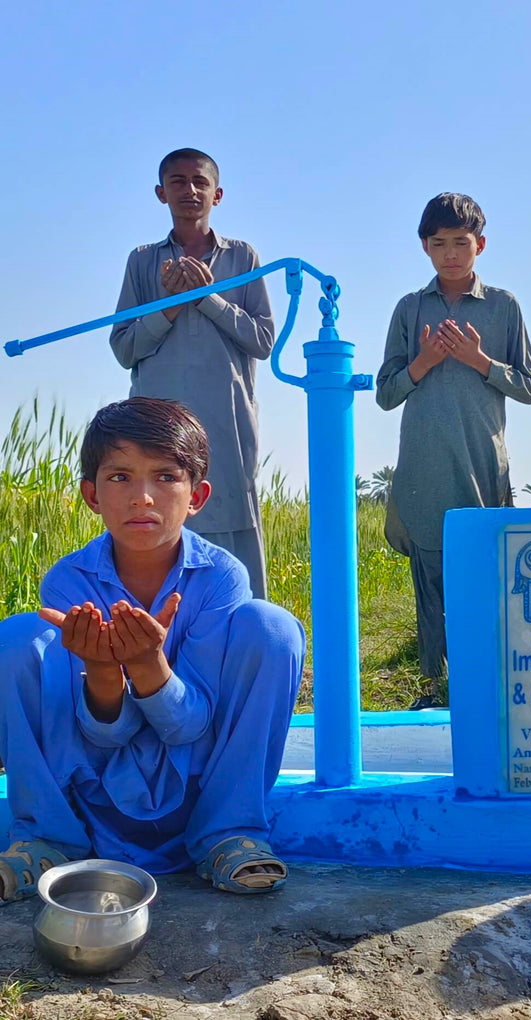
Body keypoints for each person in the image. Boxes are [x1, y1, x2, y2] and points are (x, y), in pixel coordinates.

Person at [0, 398, 303, 902]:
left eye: (165, 477)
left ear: (196, 495)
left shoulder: (221, 577)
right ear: (92, 495)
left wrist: (147, 664)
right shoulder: (69, 581)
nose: (142, 497)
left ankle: (228, 832)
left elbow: (189, 725)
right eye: (120, 477)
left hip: (196, 777)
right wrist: (103, 671)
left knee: (272, 628)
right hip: (95, 784)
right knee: (15, 638)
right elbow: (104, 735)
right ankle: (47, 839)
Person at [376, 193, 531, 708]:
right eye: (440, 243)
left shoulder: (504, 306)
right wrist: (423, 362)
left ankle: (486, 690)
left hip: (482, 468)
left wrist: (480, 360)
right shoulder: (410, 308)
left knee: (484, 586)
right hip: (424, 470)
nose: (450, 254)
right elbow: (385, 394)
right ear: (425, 247)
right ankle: (433, 690)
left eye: (461, 243)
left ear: (480, 245)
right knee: (431, 589)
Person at [110, 148, 273, 598]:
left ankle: (246, 630)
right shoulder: (143, 261)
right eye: (178, 181)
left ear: (217, 194)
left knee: (232, 525)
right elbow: (124, 347)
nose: (190, 190)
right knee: (159, 525)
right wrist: (170, 306)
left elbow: (263, 340)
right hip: (157, 426)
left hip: (226, 424)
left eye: (200, 182)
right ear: (161, 193)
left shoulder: (242, 257)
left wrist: (207, 298)